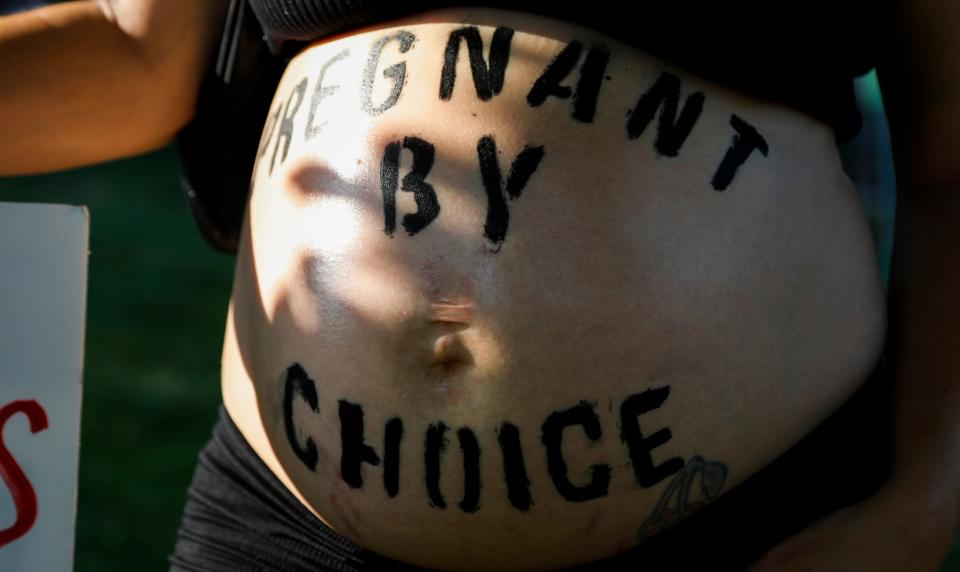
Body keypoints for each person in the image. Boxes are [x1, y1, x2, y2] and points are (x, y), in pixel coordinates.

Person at [1, 1, 958, 570]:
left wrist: (923, 510)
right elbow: (135, 58)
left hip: (746, 530)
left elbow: (950, 155)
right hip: (288, 528)